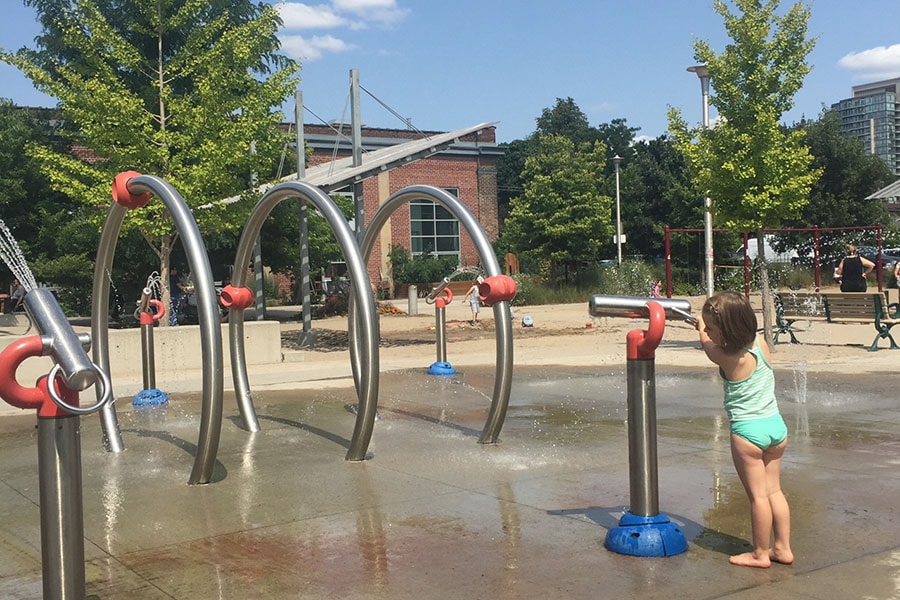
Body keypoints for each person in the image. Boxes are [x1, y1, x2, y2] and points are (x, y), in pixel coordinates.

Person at [696, 291, 793, 568]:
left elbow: (707, 346)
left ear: (725, 330)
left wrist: (701, 329)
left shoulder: (728, 357)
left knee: (758, 496)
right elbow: (716, 339)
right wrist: (707, 325)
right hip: (776, 428)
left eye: (713, 328)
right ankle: (783, 548)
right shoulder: (760, 343)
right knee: (774, 491)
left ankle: (760, 553)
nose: (710, 333)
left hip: (748, 433)